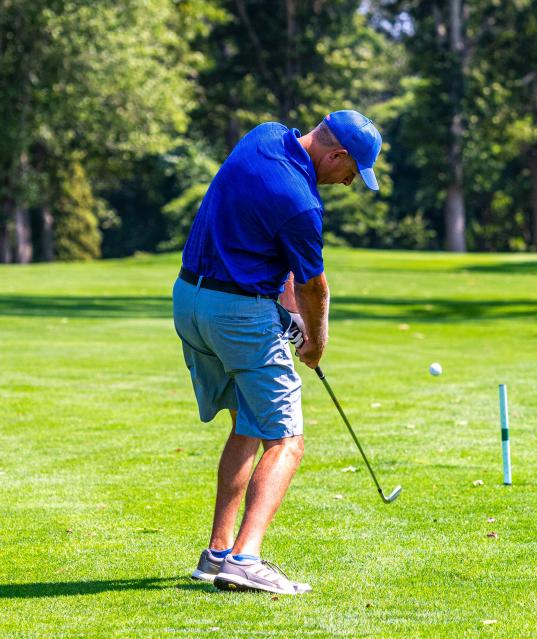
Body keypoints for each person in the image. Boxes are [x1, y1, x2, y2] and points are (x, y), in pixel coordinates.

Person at [172, 110, 382, 595]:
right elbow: (314, 286)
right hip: (237, 314)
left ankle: (217, 552)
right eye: (351, 172)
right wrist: (316, 342)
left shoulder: (262, 138)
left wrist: (286, 310)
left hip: (189, 301)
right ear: (336, 155)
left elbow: (274, 252)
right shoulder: (302, 205)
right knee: (286, 439)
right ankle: (246, 559)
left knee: (249, 420)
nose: (348, 183)